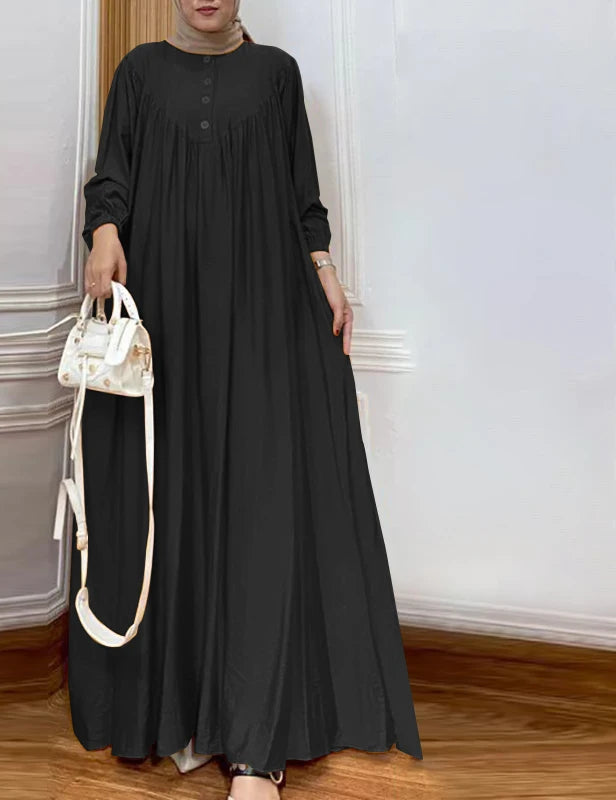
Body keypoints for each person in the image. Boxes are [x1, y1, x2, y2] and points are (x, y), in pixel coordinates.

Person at [69, 1, 423, 798]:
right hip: (165, 311)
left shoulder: (277, 75)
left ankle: (257, 746)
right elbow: (111, 177)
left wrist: (326, 274)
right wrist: (104, 232)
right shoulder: (138, 73)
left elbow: (303, 199)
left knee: (259, 503)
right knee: (175, 494)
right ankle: (187, 713)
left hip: (262, 308)